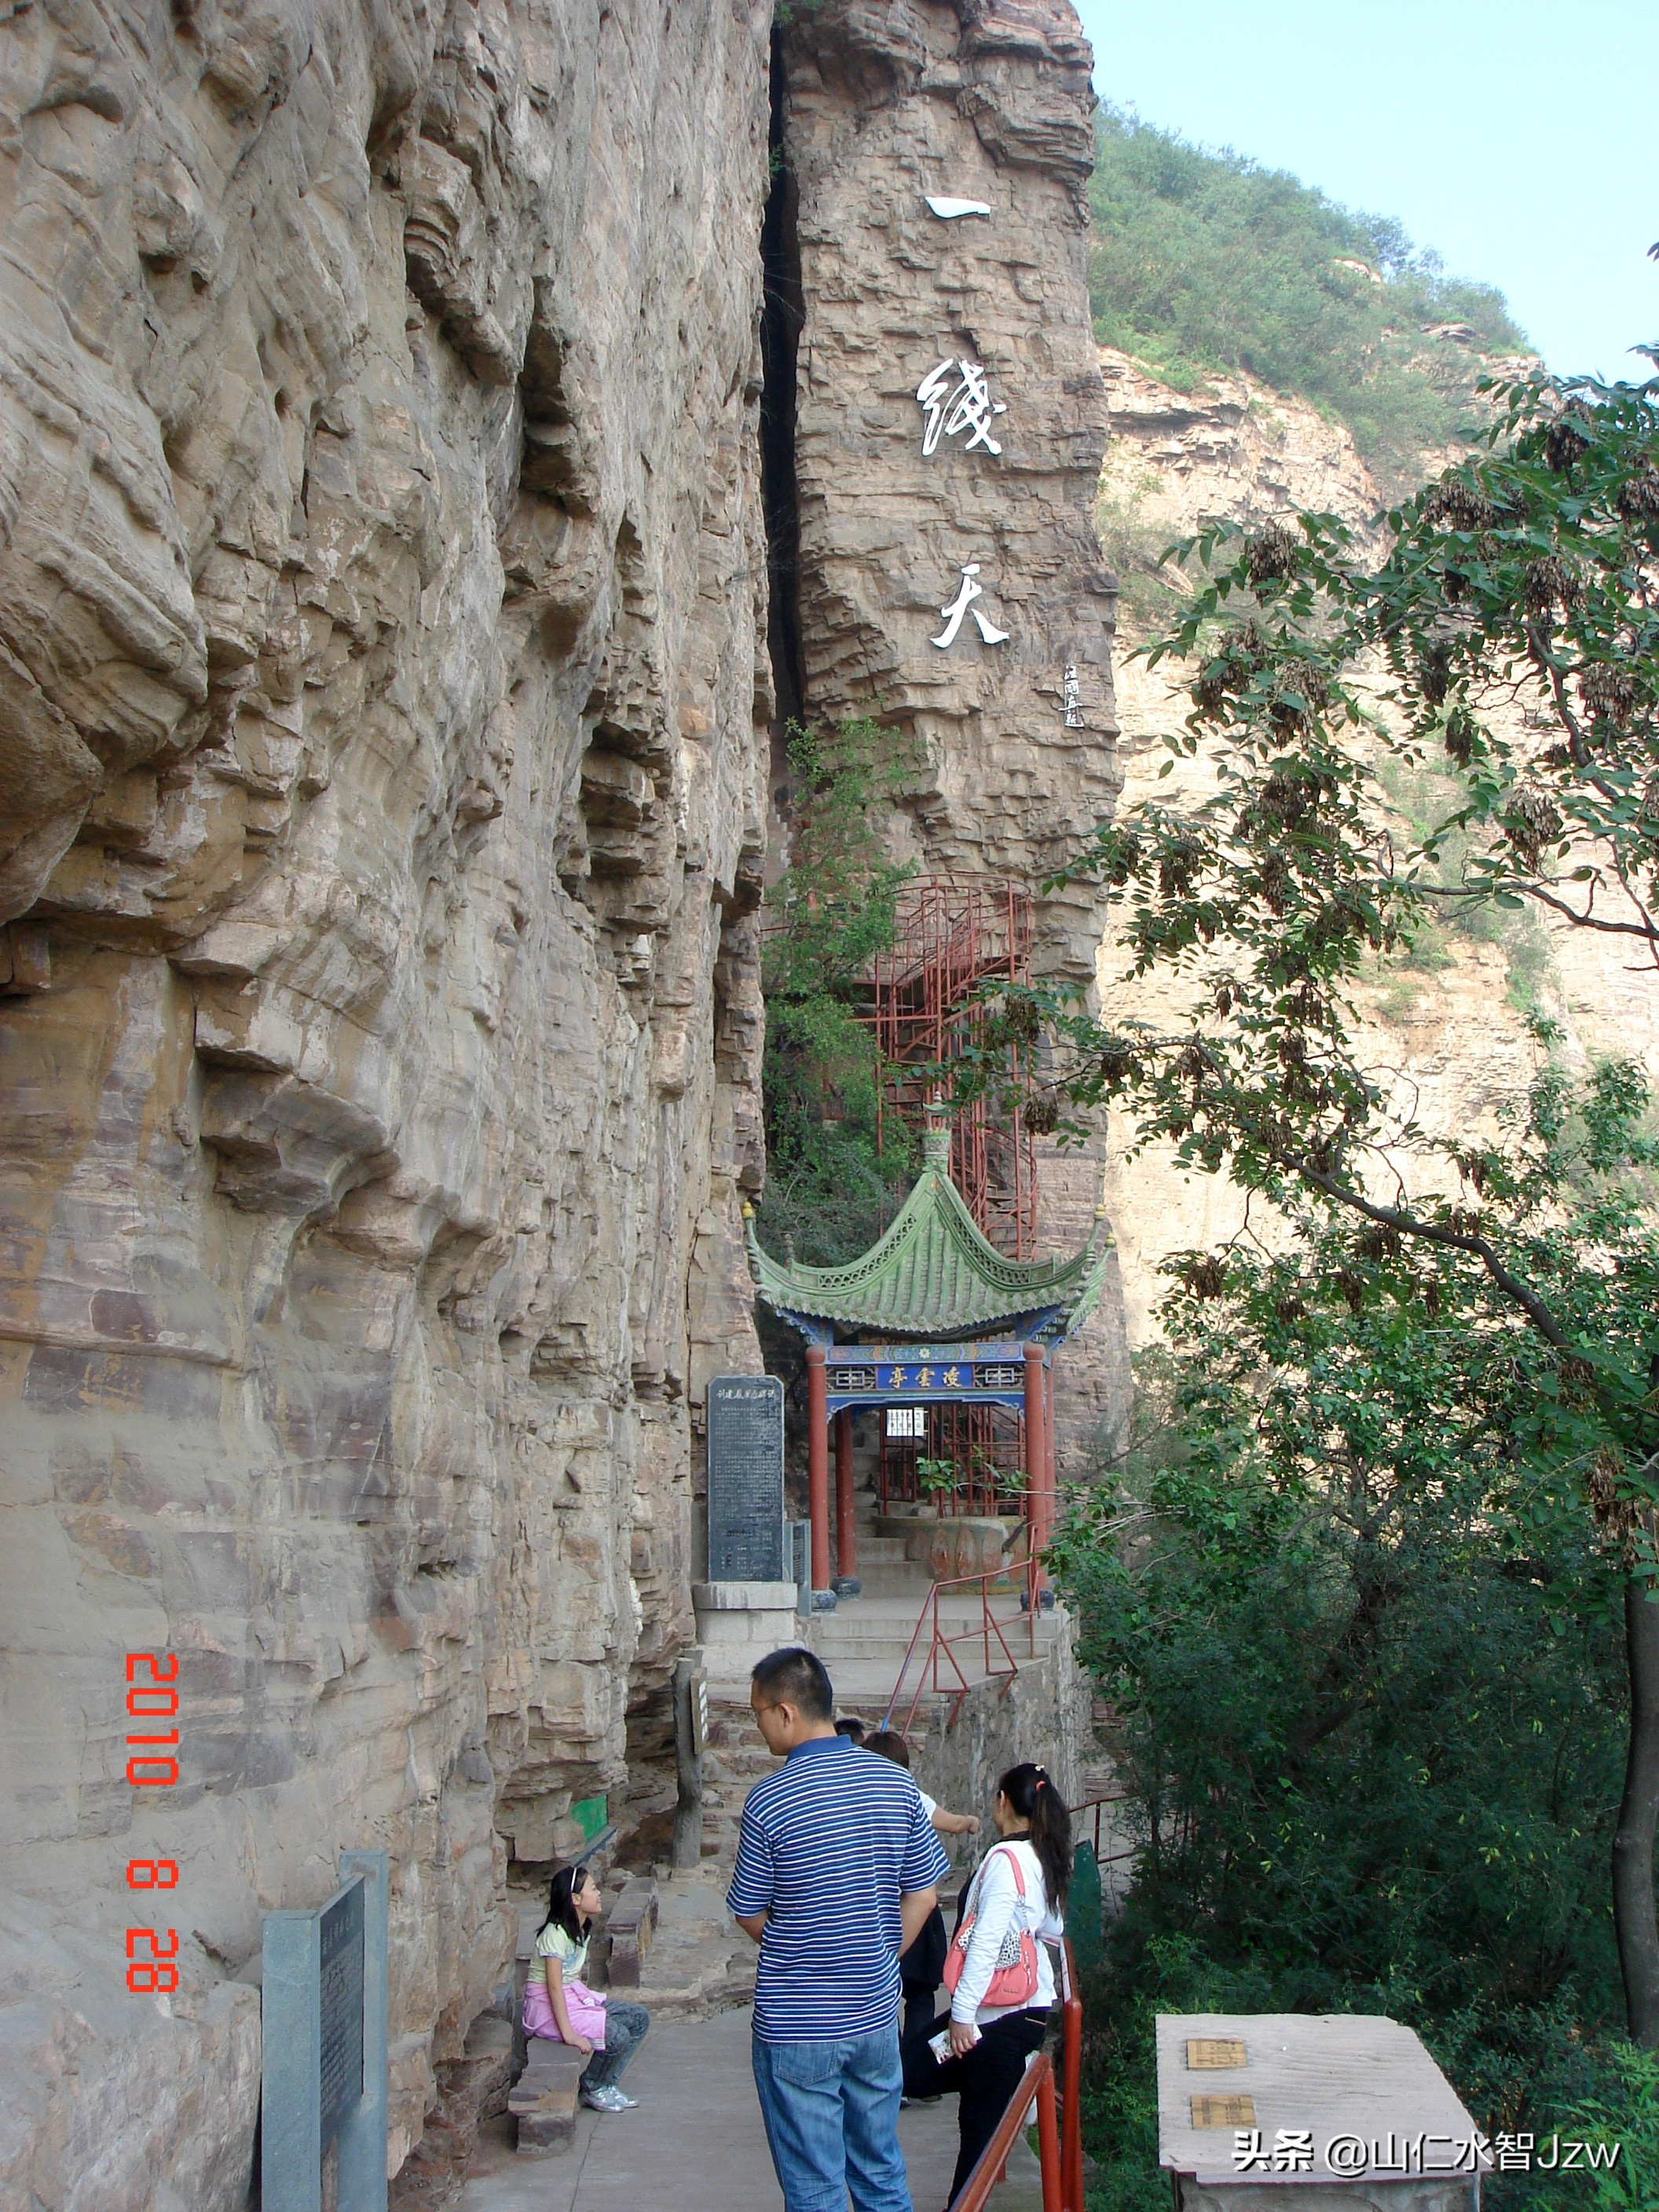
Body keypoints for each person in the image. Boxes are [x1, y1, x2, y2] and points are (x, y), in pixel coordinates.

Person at [729, 1646, 950, 2212]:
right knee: (880, 2174)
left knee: (815, 2188)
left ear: (786, 1712)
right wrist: (878, 1953)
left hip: (796, 2024)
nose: (758, 1728)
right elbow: (925, 1892)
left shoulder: (769, 1801)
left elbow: (749, 1910)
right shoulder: (897, 1786)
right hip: (875, 2018)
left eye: (758, 1714)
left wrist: (797, 1948)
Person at [900, 1763, 1070, 2208]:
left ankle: (998, 2082)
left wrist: (961, 2016)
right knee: (940, 2089)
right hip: (1027, 2014)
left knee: (971, 2132)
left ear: (1002, 1803)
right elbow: (1054, 1928)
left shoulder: (1004, 1861)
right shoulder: (1041, 1856)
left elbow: (985, 1942)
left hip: (994, 2019)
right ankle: (1002, 2081)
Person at [862, 1730, 980, 2049]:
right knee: (920, 1995)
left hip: (875, 1909)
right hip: (915, 1910)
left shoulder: (854, 1799)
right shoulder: (911, 1796)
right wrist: (970, 1821)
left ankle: (890, 2067)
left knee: (879, 1994)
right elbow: (952, 1824)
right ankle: (913, 2068)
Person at [522, 1862, 651, 2113]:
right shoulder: (555, 1934)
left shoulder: (581, 1929)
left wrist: (589, 2006)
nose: (599, 1893)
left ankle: (606, 2084)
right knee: (616, 2035)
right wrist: (569, 2034)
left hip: (573, 1997)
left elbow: (572, 1980)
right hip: (546, 2008)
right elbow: (554, 1988)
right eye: (593, 1888)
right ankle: (592, 2086)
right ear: (575, 1898)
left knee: (638, 2018)